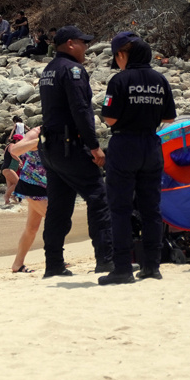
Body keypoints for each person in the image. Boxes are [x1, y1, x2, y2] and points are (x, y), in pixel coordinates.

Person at [99, 32, 177, 285]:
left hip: (125, 144)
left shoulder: (119, 80)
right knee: (151, 208)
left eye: (116, 56)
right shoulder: (160, 80)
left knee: (120, 209)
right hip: (151, 145)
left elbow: (110, 118)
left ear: (123, 55)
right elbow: (169, 118)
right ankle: (152, 266)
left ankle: (122, 267)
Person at [37, 25, 114, 277]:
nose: (87, 48)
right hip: (70, 146)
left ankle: (53, 264)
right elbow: (81, 110)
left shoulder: (49, 69)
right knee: (98, 197)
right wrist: (94, 146)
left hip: (50, 147)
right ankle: (106, 259)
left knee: (58, 207)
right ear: (70, 43)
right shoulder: (73, 70)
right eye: (84, 43)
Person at [8, 128, 48, 273]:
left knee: (32, 228)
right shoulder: (36, 132)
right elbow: (15, 150)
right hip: (31, 184)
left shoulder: (62, 130)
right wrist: (38, 142)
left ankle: (17, 264)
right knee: (55, 219)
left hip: (48, 185)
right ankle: (56, 259)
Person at [1, 136, 22, 206]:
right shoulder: (11, 145)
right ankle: (6, 195)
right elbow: (11, 153)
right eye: (20, 141)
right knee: (18, 183)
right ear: (16, 140)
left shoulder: (15, 148)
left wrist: (19, 165)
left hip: (9, 169)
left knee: (10, 186)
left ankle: (7, 202)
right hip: (8, 168)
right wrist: (19, 160)